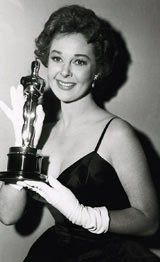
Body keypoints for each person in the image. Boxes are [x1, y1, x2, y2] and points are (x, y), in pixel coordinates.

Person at [0, 4, 159, 261]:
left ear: (97, 70)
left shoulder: (117, 133)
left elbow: (149, 221)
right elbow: (8, 215)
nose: (64, 71)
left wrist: (86, 216)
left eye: (79, 61)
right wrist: (24, 143)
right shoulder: (41, 132)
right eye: (57, 58)